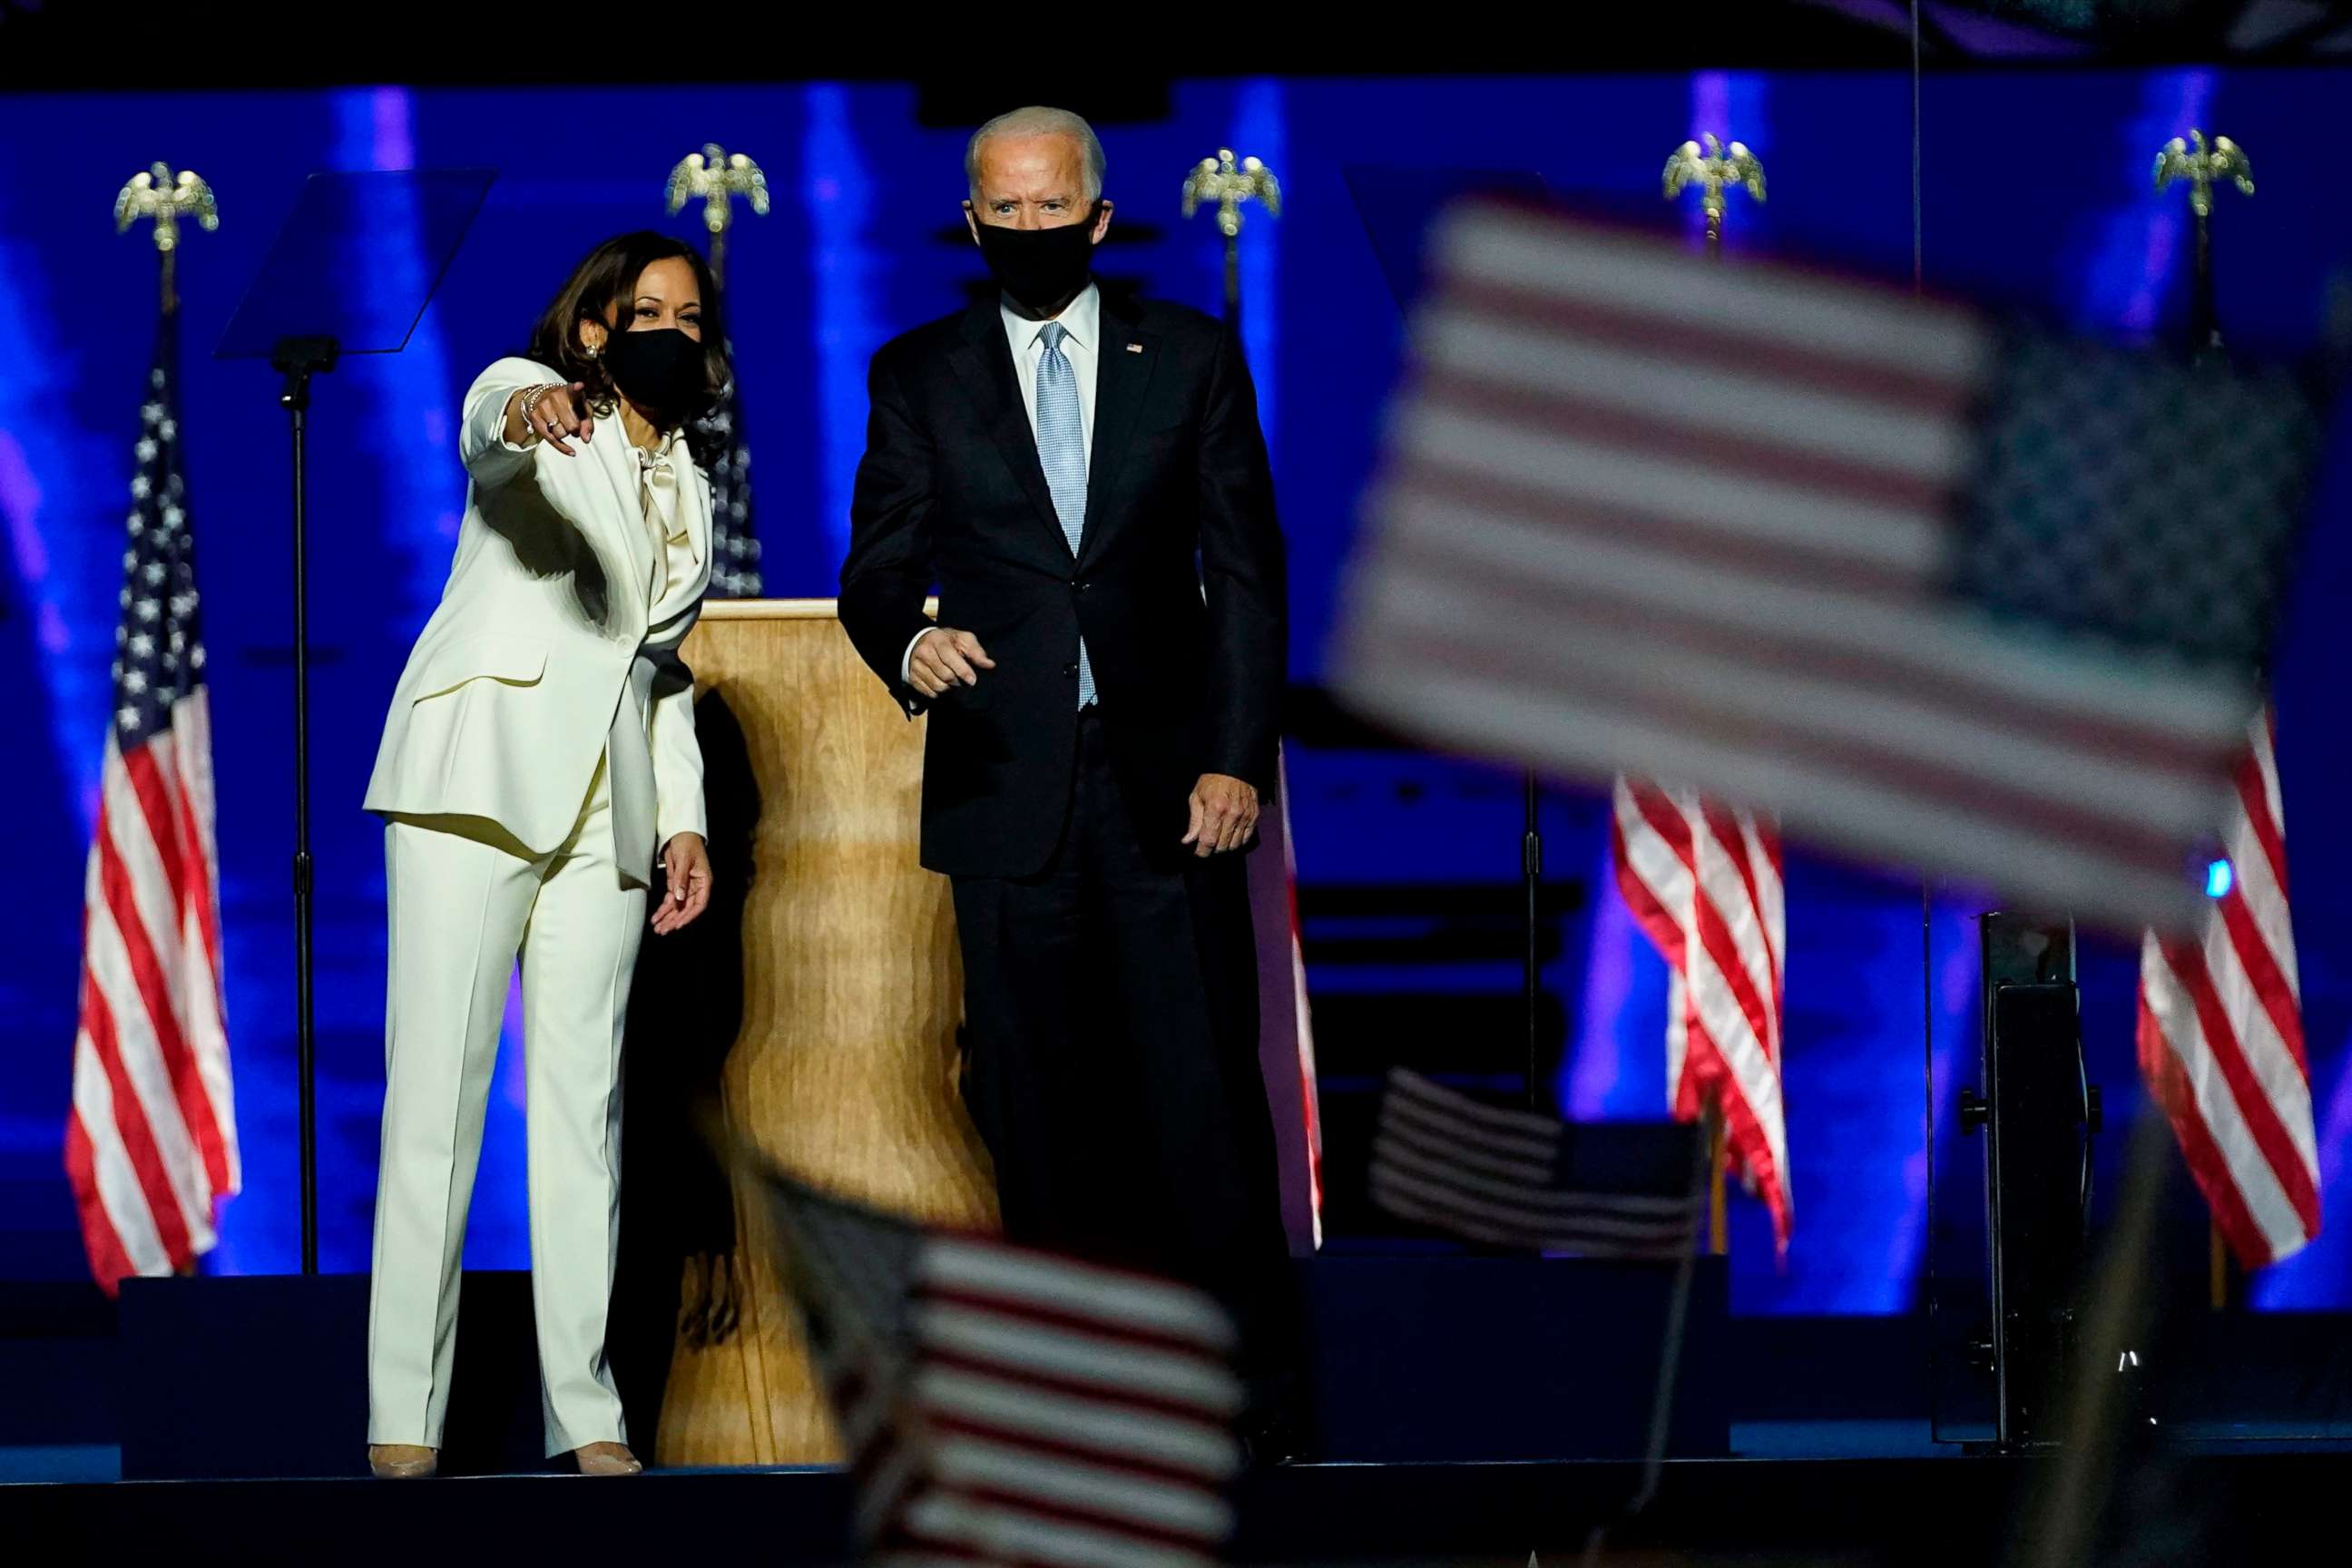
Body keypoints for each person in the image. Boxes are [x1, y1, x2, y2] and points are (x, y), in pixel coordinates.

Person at [838, 105, 1298, 1456]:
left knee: (1203, 1103)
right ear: (971, 220)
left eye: (1053, 209)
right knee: (1038, 1117)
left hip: (1169, 790)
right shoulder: (917, 372)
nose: (1029, 230)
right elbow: (877, 563)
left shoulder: (1195, 359)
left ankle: (1250, 1422)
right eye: (1005, 210)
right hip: (1005, 784)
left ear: (1099, 218)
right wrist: (905, 635)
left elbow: (1249, 576)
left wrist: (1235, 758)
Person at [359, 231, 724, 1479]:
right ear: (590, 329)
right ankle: (406, 1420)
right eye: (644, 313)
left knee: (585, 1115)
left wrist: (684, 818)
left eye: (685, 316)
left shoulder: (688, 483)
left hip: (605, 810)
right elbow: (488, 422)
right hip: (478, 778)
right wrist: (528, 402)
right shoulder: (534, 404)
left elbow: (658, 666)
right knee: (437, 1109)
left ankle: (591, 1417)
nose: (666, 332)